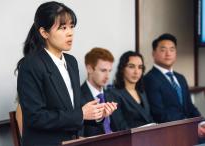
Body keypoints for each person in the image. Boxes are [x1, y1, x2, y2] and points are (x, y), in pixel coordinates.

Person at [16, 2, 111, 146]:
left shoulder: (71, 62)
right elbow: (35, 117)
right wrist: (81, 114)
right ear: (44, 32)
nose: (70, 33)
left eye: (71, 27)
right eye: (63, 28)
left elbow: (73, 110)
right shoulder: (30, 65)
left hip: (71, 142)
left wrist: (97, 115)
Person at [144, 33, 205, 139]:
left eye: (172, 50)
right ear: (154, 53)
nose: (168, 54)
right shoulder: (150, 79)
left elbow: (190, 107)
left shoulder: (180, 78)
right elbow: (159, 113)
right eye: (163, 50)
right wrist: (190, 127)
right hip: (169, 133)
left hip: (188, 128)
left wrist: (201, 122)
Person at [108, 51, 154, 131]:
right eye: (131, 66)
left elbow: (149, 118)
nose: (136, 72)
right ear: (122, 68)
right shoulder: (113, 93)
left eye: (140, 67)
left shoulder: (141, 92)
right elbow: (120, 127)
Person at [81, 47, 117, 137]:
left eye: (109, 71)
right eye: (103, 70)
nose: (107, 76)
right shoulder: (77, 96)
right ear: (89, 68)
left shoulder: (112, 94)